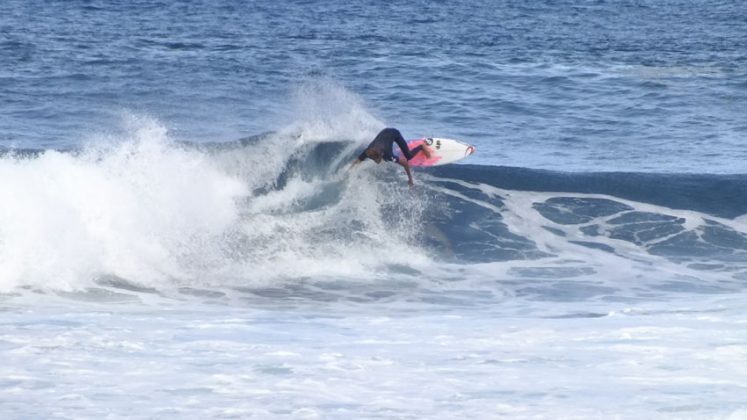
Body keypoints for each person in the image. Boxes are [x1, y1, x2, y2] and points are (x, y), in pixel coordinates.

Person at [349, 128, 431, 187]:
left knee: (408, 156)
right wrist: (350, 170)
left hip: (394, 133)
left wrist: (410, 179)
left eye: (377, 160)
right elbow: (358, 160)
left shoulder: (388, 155)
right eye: (375, 160)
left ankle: (421, 147)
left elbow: (405, 162)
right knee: (384, 157)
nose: (377, 162)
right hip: (384, 132)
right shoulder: (368, 152)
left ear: (381, 155)